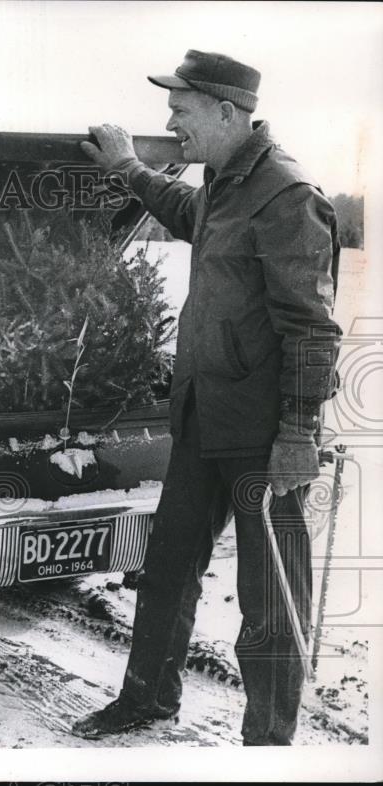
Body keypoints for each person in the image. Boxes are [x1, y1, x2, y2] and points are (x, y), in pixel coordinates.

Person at [72, 50, 341, 745]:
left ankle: (268, 745)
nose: (171, 122)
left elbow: (312, 330)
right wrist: (129, 169)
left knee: (269, 600)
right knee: (166, 570)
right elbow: (187, 211)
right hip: (201, 421)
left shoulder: (286, 196)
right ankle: (146, 700)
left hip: (262, 436)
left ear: (226, 112)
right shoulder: (225, 182)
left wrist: (299, 433)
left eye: (181, 110)